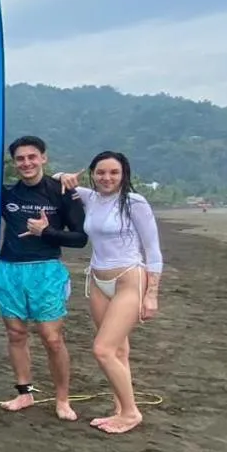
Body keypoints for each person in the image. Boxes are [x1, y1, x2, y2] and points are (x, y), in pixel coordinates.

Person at [56, 152, 164, 434]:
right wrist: (63, 176)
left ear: (124, 174)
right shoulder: (90, 197)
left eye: (114, 173)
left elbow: (153, 251)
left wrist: (151, 294)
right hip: (97, 280)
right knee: (118, 349)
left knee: (102, 350)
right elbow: (55, 180)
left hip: (129, 278)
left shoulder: (135, 203)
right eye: (101, 172)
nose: (107, 178)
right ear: (93, 174)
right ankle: (120, 407)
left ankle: (130, 413)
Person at [0, 135, 88, 420]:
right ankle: (26, 393)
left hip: (46, 270)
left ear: (44, 158)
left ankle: (62, 399)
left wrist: (45, 232)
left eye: (32, 157)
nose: (26, 163)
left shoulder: (61, 192)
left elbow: (80, 238)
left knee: (51, 338)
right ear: (14, 164)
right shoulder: (7, 195)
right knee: (16, 334)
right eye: (20, 159)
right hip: (9, 269)